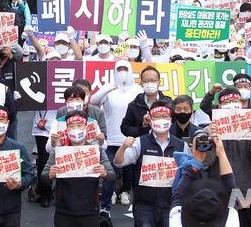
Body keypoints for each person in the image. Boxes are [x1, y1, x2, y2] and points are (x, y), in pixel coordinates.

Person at [115, 101, 191, 227]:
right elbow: (119, 162)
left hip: (171, 204)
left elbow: (187, 174)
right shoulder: (140, 142)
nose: (161, 120)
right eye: (157, 116)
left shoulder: (181, 145)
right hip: (145, 205)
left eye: (165, 116)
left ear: (171, 121)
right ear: (150, 121)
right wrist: (123, 147)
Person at [205, 87, 251, 227]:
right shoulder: (211, 129)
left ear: (241, 104)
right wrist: (209, 139)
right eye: (227, 101)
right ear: (220, 106)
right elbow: (205, 162)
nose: (232, 104)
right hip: (219, 195)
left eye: (235, 100)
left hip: (247, 195)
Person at [42, 110, 115, 227]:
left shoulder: (97, 151)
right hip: (64, 211)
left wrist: (104, 173)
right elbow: (44, 176)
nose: (76, 129)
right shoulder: (58, 151)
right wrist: (50, 174)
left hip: (90, 211)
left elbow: (112, 176)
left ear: (86, 128)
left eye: (80, 125)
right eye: (71, 126)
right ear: (66, 130)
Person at [90, 58, 142, 217]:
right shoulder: (110, 89)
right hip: (112, 139)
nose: (122, 73)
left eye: (125, 69)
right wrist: (106, 89)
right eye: (119, 69)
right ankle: (105, 208)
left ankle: (135, 203)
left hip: (133, 139)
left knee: (136, 174)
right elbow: (92, 101)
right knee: (109, 173)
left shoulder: (138, 90)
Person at [169, 135, 239, 227]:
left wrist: (196, 163)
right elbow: (232, 190)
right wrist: (221, 154)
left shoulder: (178, 223)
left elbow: (178, 195)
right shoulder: (229, 224)